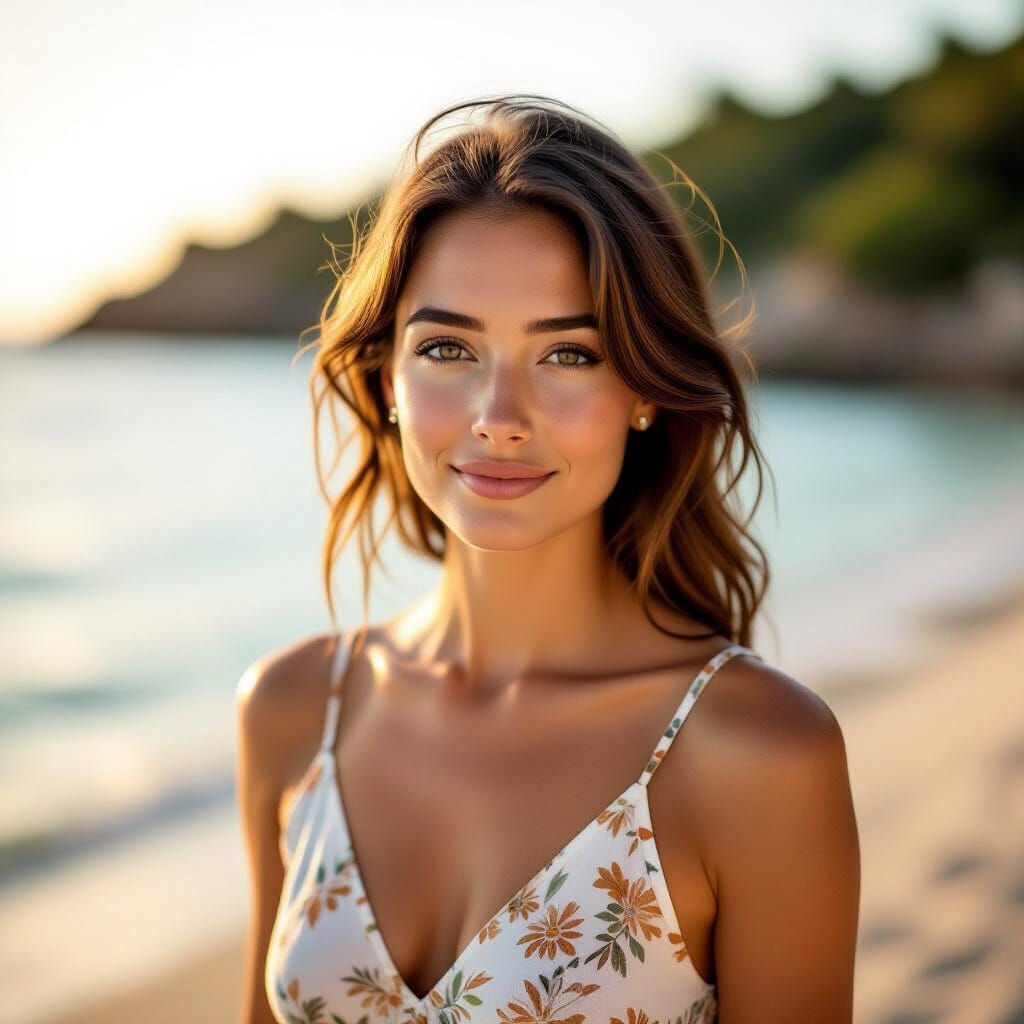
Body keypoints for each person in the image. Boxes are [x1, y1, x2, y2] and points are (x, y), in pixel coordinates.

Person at [236, 94, 860, 1024]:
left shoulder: (757, 754)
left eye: (569, 354)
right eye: (447, 347)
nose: (499, 416)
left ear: (645, 389)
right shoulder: (292, 709)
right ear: (386, 377)